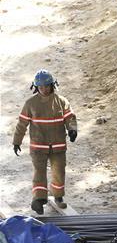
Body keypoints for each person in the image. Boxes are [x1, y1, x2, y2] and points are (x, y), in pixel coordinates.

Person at [13, 70, 77, 214]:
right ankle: (39, 200)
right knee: (39, 172)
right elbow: (22, 124)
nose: (44, 89)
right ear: (36, 87)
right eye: (41, 87)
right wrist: (16, 141)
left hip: (58, 146)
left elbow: (70, 118)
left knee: (59, 171)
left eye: (47, 86)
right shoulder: (30, 103)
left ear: (52, 85)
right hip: (38, 146)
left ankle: (58, 197)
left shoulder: (61, 101)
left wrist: (72, 130)